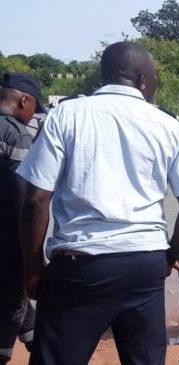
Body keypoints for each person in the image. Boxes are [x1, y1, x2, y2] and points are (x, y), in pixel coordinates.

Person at [17, 41, 179, 364]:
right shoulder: (171, 127)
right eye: (155, 77)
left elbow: (36, 200)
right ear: (143, 80)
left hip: (81, 265)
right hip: (144, 265)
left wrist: (33, 266)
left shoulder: (67, 115)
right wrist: (169, 256)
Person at [0, 72, 45, 364]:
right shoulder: (15, 133)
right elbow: (25, 198)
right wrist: (32, 254)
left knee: (26, 316)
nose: (33, 117)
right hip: (7, 240)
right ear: (24, 100)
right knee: (10, 308)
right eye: (34, 110)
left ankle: (38, 345)